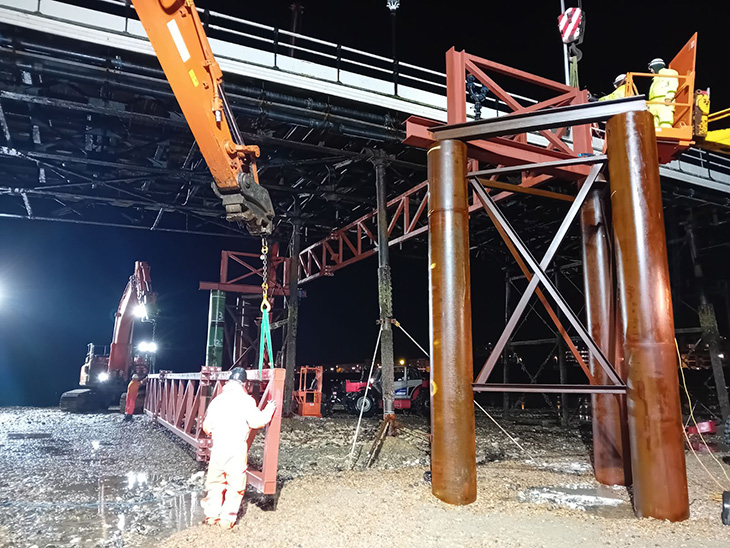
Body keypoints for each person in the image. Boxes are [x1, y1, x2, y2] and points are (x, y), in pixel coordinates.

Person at [201, 367, 277, 529]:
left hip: (218, 448)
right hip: (235, 449)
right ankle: (227, 519)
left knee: (215, 482)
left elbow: (207, 427)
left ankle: (212, 515)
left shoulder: (217, 400)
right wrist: (269, 409)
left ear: (229, 381)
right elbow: (257, 422)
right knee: (235, 485)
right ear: (244, 383)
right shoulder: (246, 401)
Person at [647, 58, 679, 129]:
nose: (651, 71)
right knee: (653, 126)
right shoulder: (655, 80)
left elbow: (672, 85)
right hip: (654, 106)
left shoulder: (668, 73)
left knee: (665, 122)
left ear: (656, 66)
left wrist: (669, 97)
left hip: (664, 104)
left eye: (652, 68)